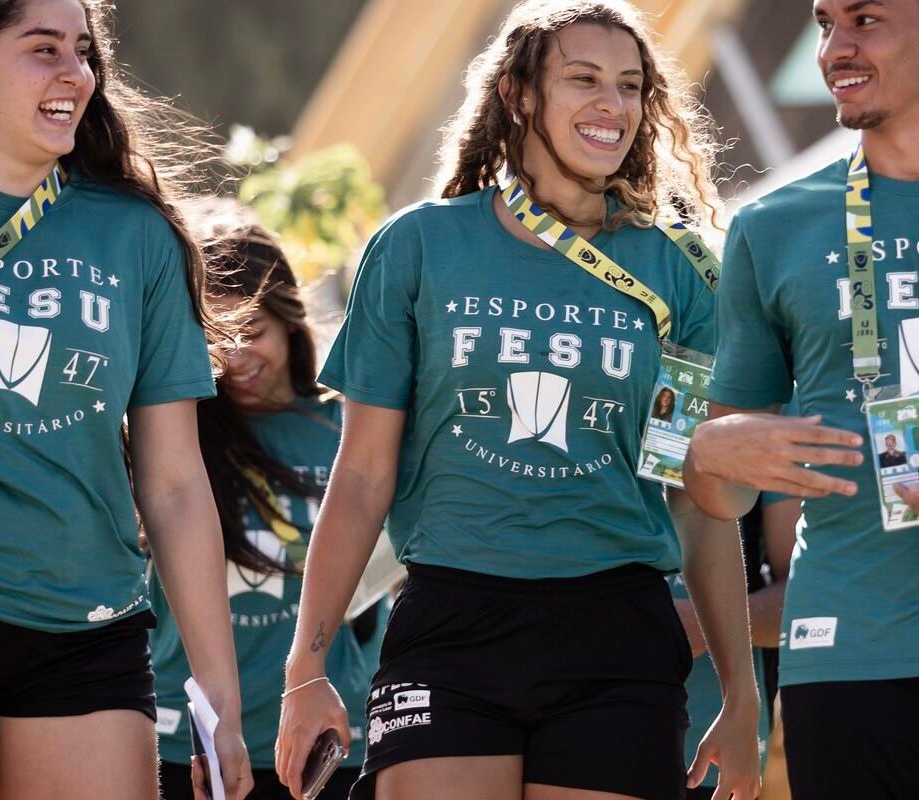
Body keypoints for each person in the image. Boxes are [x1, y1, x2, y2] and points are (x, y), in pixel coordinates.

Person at [275, 2, 762, 799]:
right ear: (519, 95)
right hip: (451, 619)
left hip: (617, 631)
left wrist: (742, 699)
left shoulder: (680, 272)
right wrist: (307, 668)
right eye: (584, 79)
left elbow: (696, 497)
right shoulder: (419, 246)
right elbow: (362, 474)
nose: (613, 104)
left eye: (632, 86)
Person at [684, 1, 919, 797]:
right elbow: (720, 494)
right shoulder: (770, 226)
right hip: (842, 652)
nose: (834, 48)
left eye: (864, 19)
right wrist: (706, 455)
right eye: (823, 23)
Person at [0, 2, 252, 798]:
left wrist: (219, 697)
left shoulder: (136, 236)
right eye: (43, 51)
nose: (75, 74)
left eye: (83, 51)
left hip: (86, 616)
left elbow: (172, 484)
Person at [151, 204, 383, 800]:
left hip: (328, 742)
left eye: (252, 332)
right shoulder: (171, 436)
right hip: (190, 745)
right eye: (215, 338)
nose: (235, 358)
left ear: (288, 318)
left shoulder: (350, 431)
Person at [674, 493, 799, 800]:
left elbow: (807, 602)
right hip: (582, 739)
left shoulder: (765, 448)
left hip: (715, 755)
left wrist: (702, 621)